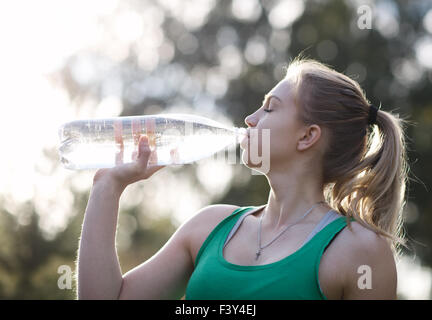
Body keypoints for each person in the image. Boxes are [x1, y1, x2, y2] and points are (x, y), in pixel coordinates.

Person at [77, 57, 409, 300]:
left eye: (269, 107)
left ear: (307, 136)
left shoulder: (358, 250)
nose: (250, 119)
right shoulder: (208, 227)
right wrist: (107, 187)